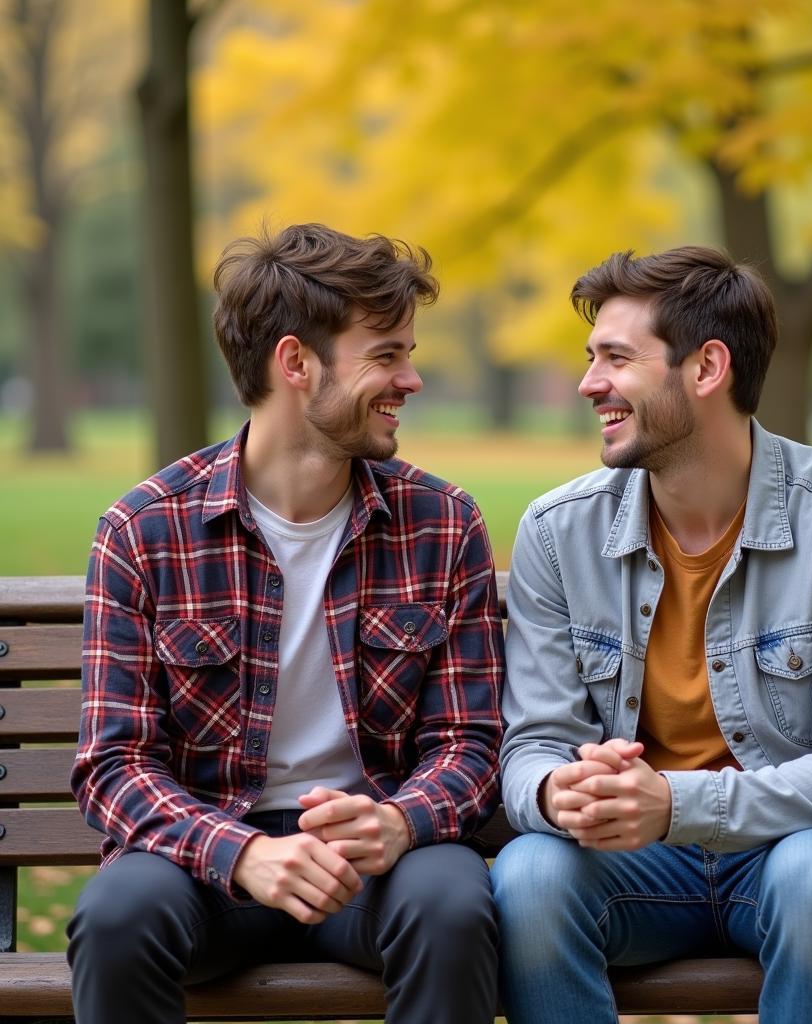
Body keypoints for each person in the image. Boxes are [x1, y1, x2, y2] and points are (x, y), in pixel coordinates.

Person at [492, 245, 812, 1024]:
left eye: (615, 358)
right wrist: (554, 789)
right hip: (642, 870)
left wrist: (674, 802)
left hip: (810, 854)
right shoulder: (557, 530)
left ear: (707, 368)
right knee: (530, 877)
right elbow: (531, 744)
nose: (588, 384)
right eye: (589, 358)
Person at [67, 223, 504, 1024]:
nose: (410, 378)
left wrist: (402, 821)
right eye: (385, 354)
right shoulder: (144, 530)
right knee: (115, 917)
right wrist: (243, 855)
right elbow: (115, 765)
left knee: (451, 905)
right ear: (296, 362)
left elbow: (469, 742)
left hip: (376, 857)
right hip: (202, 861)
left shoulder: (441, 523)